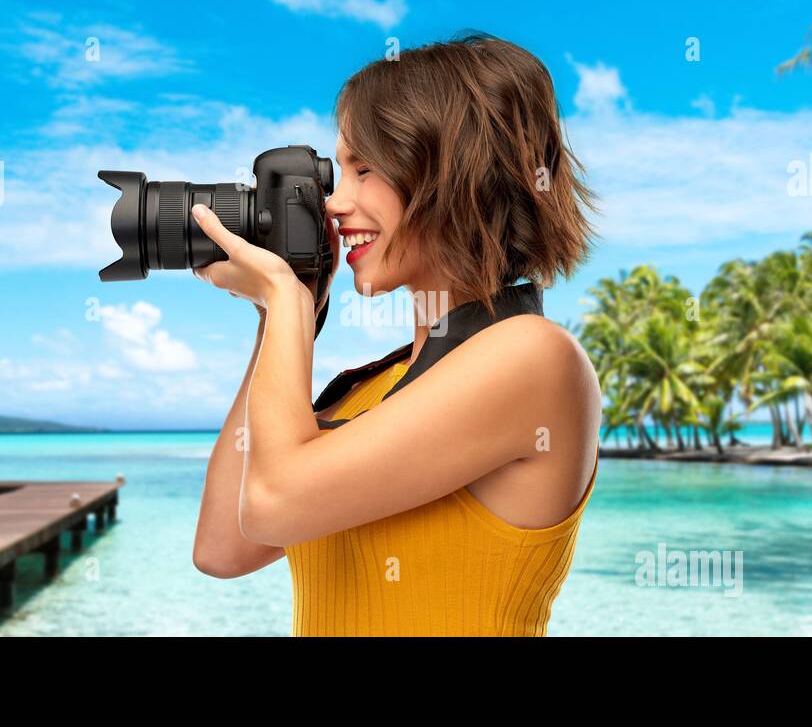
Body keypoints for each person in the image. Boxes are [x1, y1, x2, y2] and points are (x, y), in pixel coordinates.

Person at [192, 32, 602, 636]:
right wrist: (282, 309)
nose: (334, 203)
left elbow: (273, 502)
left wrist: (283, 301)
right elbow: (225, 545)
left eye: (365, 169)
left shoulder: (534, 358)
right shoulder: (377, 392)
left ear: (455, 171)